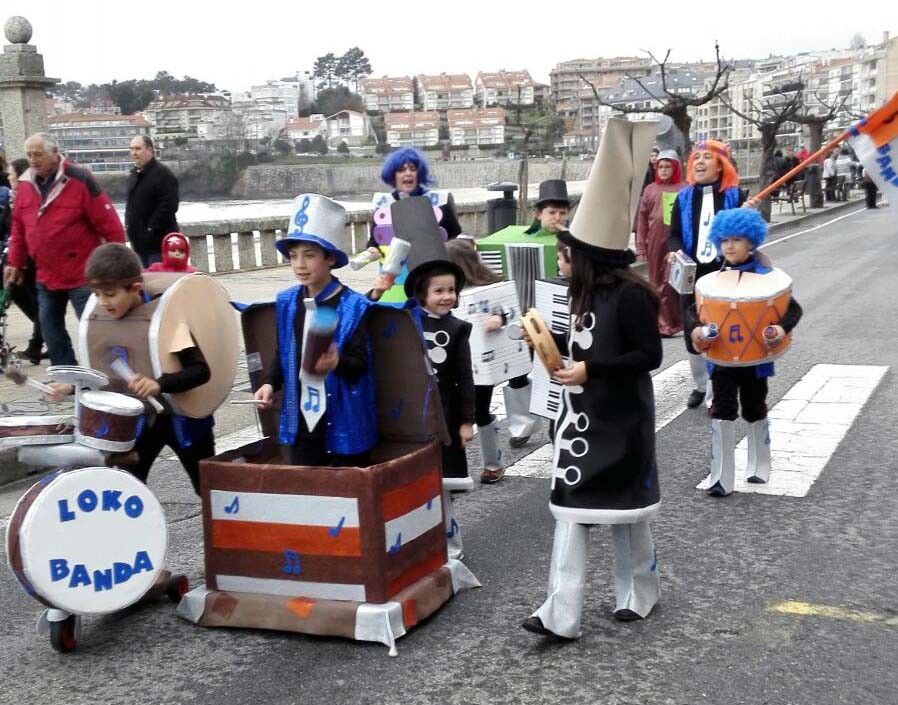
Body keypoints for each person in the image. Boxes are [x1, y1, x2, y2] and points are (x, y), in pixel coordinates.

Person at [522, 119, 662, 639]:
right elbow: (570, 349)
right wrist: (543, 351)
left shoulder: (629, 296)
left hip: (622, 420)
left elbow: (648, 355)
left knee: (628, 515)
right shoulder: (576, 297)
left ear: (587, 259)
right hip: (579, 424)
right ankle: (561, 614)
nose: (560, 262)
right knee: (571, 513)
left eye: (565, 254)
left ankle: (639, 593)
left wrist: (592, 370)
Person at [47, 243, 215, 494]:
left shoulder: (165, 317)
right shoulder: (102, 321)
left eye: (110, 294)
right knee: (127, 489)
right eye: (97, 293)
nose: (103, 302)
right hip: (140, 423)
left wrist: (159, 383)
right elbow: (105, 376)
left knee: (208, 491)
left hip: (184, 421)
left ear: (134, 288)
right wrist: (70, 387)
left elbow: (200, 371)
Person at [254, 194, 376, 467]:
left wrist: (336, 363)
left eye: (309, 256)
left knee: (347, 496)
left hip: (343, 416)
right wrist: (269, 383)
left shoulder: (354, 305)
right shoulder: (287, 301)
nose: (300, 265)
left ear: (330, 258)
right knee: (308, 493)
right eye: (293, 256)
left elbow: (361, 364)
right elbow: (283, 351)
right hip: (301, 418)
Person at [688, 209, 802, 496]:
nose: (729, 245)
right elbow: (693, 310)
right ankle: (721, 477)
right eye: (725, 239)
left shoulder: (769, 278)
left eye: (737, 239)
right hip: (722, 361)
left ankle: (759, 465)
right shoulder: (713, 279)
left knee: (754, 408)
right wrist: (697, 330)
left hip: (755, 362)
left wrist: (780, 329)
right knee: (722, 411)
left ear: (751, 242)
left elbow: (793, 308)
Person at [4, 132, 126, 366]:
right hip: (46, 272)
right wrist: (15, 262)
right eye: (29, 155)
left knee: (93, 327)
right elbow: (18, 227)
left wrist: (117, 264)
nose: (33, 160)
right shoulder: (26, 184)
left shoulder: (79, 179)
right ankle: (66, 375)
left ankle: (111, 371)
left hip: (83, 272)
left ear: (54, 153)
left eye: (38, 155)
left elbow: (108, 222)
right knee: (50, 328)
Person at [477, 178, 570, 447]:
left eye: (563, 212)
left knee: (556, 368)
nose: (557, 218)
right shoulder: (513, 239)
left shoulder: (570, 245)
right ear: (538, 214)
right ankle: (521, 425)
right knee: (516, 373)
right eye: (551, 212)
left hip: (554, 319)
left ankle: (559, 421)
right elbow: (494, 281)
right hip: (518, 318)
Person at [403, 213, 473, 559]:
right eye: (439, 291)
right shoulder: (405, 323)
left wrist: (467, 420)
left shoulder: (459, 329)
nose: (447, 297)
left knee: (443, 486)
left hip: (445, 418)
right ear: (421, 294)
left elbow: (465, 378)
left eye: (451, 291)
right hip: (414, 418)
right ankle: (419, 542)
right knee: (415, 483)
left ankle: (450, 545)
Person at [668, 139, 743, 409]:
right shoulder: (684, 197)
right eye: (696, 157)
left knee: (719, 333)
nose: (699, 162)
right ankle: (700, 385)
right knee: (692, 332)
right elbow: (673, 234)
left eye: (707, 157)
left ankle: (716, 392)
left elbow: (748, 237)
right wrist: (674, 250)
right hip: (691, 272)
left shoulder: (736, 196)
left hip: (724, 270)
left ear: (721, 166)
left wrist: (748, 217)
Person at [445, 238, 505, 484]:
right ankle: (453, 468)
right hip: (451, 363)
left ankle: (493, 463)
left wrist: (498, 319)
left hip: (481, 364)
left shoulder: (488, 288)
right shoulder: (444, 292)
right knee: (452, 414)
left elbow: (506, 309)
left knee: (479, 411)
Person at [364, 147, 461, 259]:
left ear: (419, 174)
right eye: (401, 170)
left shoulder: (440, 201)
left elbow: (455, 237)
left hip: (433, 267)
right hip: (396, 272)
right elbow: (375, 240)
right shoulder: (384, 204)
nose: (408, 173)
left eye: (413, 169)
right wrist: (373, 249)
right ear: (393, 176)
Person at [636, 149, 684, 337]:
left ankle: (677, 320)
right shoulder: (650, 190)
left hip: (677, 241)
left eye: (667, 167)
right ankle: (662, 323)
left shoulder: (684, 189)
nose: (663, 170)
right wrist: (641, 245)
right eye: (660, 166)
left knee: (675, 281)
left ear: (675, 168)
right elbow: (642, 220)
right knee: (656, 282)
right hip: (655, 242)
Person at [125, 135, 180, 268]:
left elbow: (169, 205)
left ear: (150, 150)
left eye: (138, 149)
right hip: (138, 245)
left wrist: (150, 229)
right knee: (144, 285)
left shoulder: (163, 175)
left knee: (159, 285)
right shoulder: (134, 175)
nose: (134, 153)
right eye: (131, 149)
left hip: (159, 244)